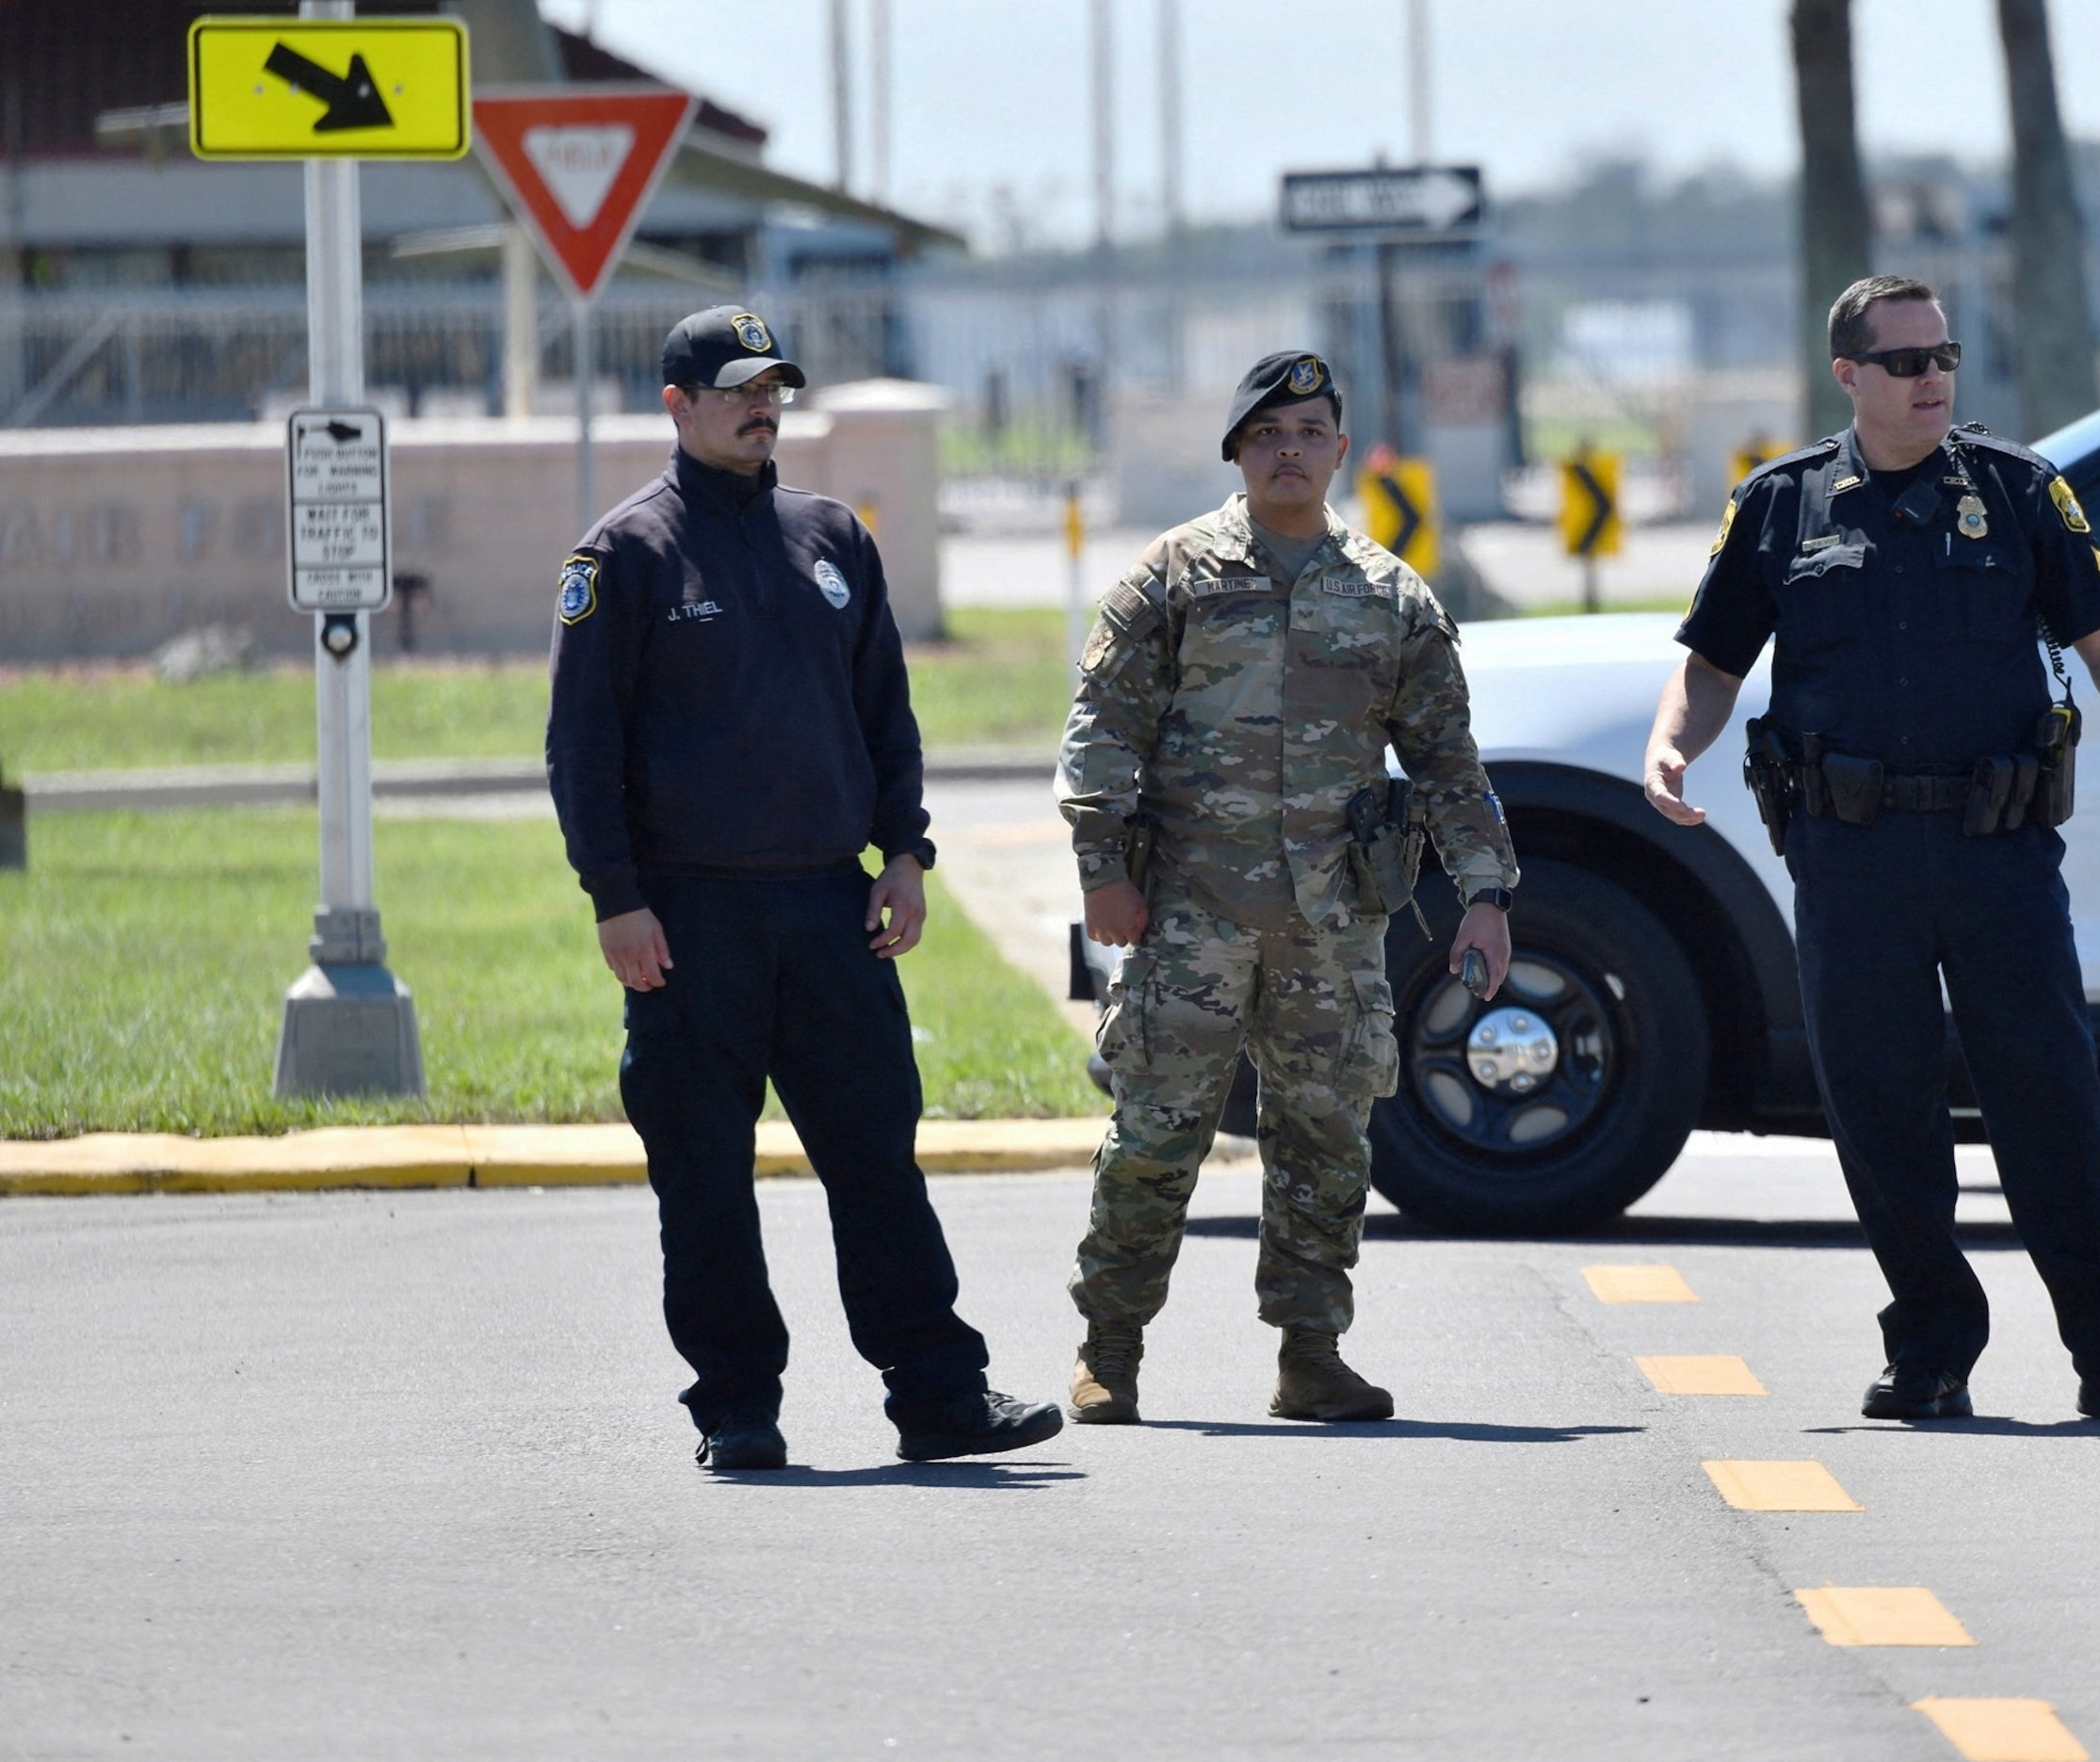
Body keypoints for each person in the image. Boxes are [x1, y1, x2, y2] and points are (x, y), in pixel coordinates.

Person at [1642, 275, 2100, 1425]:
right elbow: (1711, 663)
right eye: (1906, 360)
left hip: (1996, 850)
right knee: (1880, 1110)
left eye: (1945, 354)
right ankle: (1930, 1350)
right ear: (1850, 375)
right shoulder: (1782, 506)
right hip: (1851, 857)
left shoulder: (2017, 493)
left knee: (2052, 1103)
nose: (1934, 378)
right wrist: (1670, 747)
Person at [547, 304, 1061, 1471]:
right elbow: (581, 749)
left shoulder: (834, 535)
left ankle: (937, 1395)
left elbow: (887, 714)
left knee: (878, 1162)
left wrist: (908, 855)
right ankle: (737, 1405)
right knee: (706, 1179)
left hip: (833, 909)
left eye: (772, 384)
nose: (760, 403)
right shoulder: (622, 557)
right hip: (690, 920)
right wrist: (615, 897)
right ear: (678, 405)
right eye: (734, 388)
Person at [1058, 350, 1519, 1426]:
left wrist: (1486, 892)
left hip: (1332, 921)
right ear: (1237, 449)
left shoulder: (1389, 595)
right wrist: (1102, 877)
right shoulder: (1173, 576)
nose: (1289, 449)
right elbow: (1102, 731)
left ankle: (1312, 1354)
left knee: (1326, 1140)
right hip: (1188, 913)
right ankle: (1109, 1350)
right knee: (1155, 1132)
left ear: (1340, 450)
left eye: (1309, 430)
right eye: (1268, 432)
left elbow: (1448, 760)